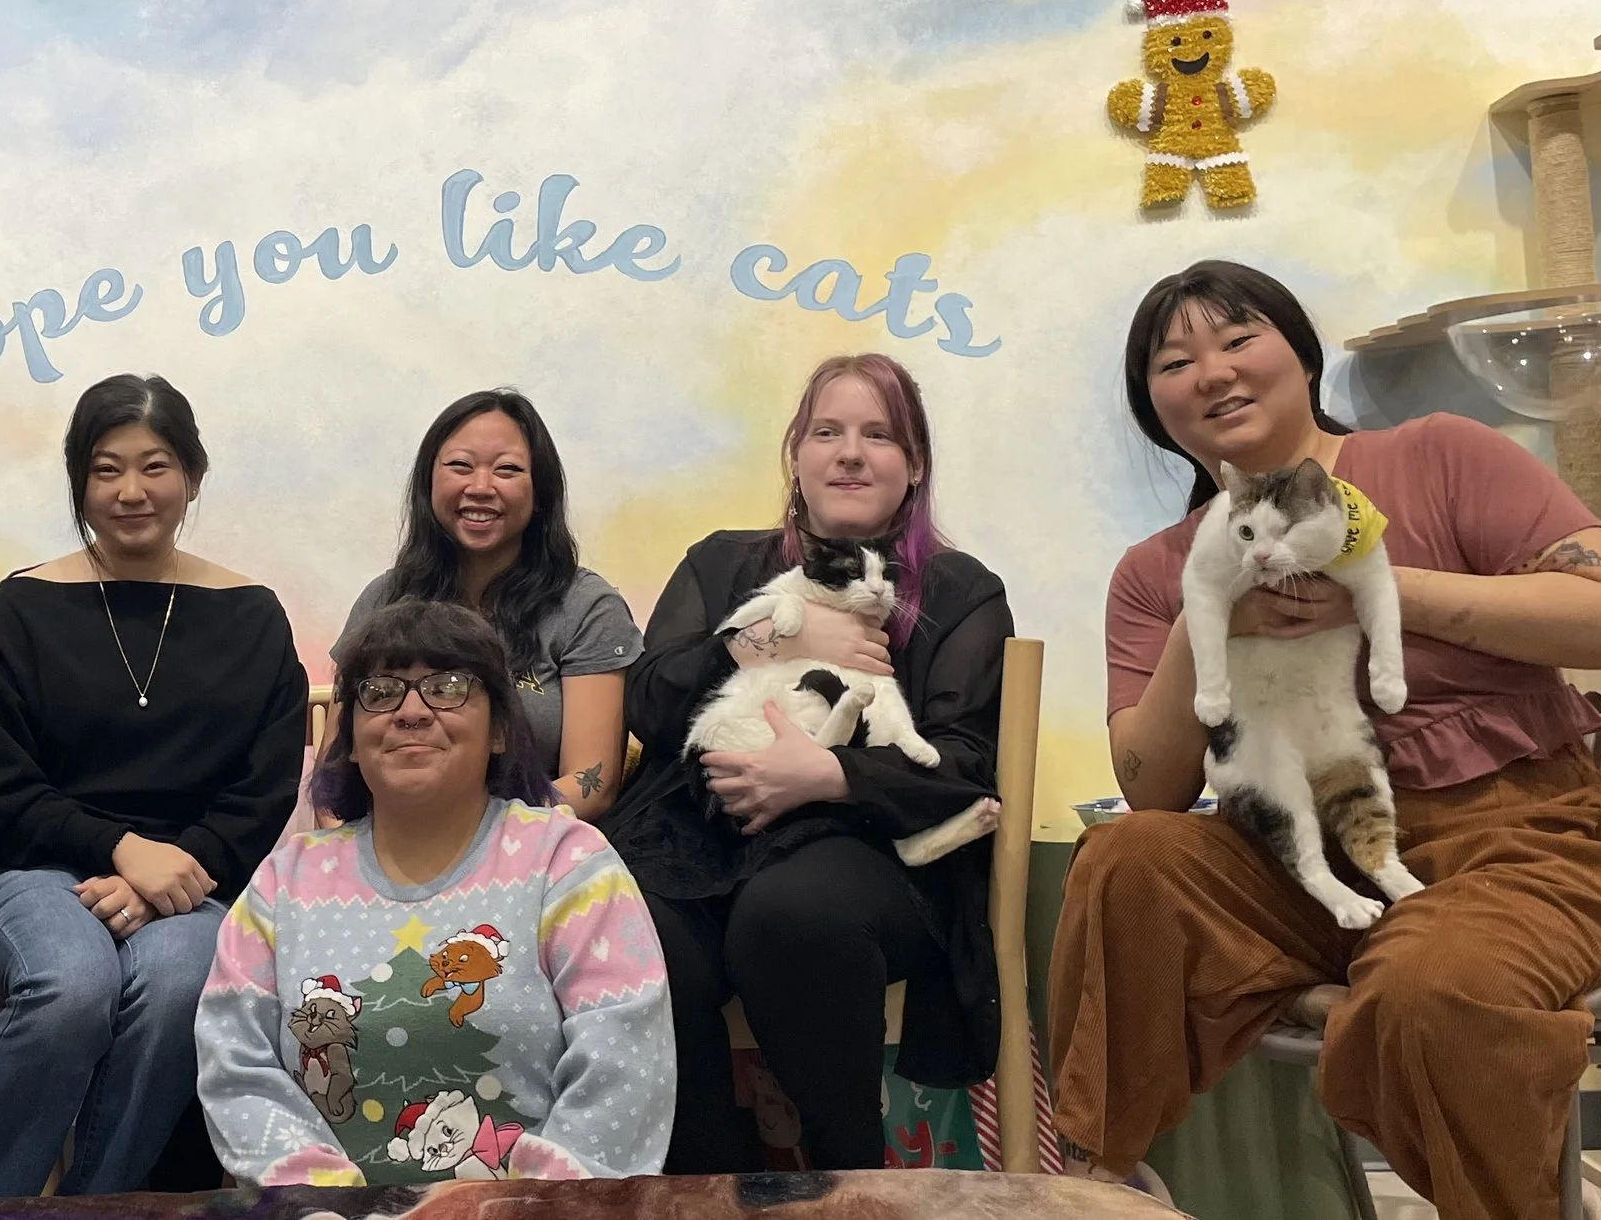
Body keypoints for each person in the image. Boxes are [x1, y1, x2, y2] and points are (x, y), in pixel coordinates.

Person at [1049, 260, 1601, 1220]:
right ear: (1154, 407)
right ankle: (1097, 1182)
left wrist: (1378, 586)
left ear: (1301, 356)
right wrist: (1197, 617)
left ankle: (1480, 1170)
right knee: (1125, 856)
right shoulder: (1155, 571)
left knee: (1434, 982)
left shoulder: (1438, 455)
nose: (1211, 371)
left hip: (1524, 846)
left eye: (1239, 337)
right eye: (1175, 361)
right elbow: (1153, 789)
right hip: (1306, 869)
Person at [600, 352, 1012, 1173]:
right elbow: (648, 699)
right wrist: (772, 639)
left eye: (878, 434)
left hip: (862, 846)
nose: (850, 452)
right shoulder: (722, 562)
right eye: (827, 431)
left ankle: (847, 1179)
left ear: (915, 464)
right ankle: (704, 1181)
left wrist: (831, 776)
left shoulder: (960, 590)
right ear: (798, 454)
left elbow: (962, 761)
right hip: (697, 835)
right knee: (630, 925)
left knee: (791, 914)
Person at [0, 374, 308, 1197]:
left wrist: (172, 873)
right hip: (31, 872)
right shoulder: (22, 608)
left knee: (182, 978)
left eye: (155, 466)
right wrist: (124, 849)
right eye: (106, 469)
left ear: (193, 477)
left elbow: (264, 786)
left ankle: (98, 1205)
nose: (131, 491)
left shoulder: (252, 614)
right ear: (79, 481)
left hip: (188, 883)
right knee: (74, 985)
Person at [196, 599, 672, 1185]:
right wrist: (326, 1202)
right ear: (350, 732)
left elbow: (625, 1064)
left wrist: (531, 1207)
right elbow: (234, 1061)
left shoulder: (569, 863)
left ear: (500, 728)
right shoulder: (285, 879)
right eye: (380, 691)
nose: (411, 711)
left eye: (447, 687)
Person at [342, 390, 639, 819]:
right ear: (429, 481)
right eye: (461, 466)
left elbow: (591, 783)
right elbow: (338, 774)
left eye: (508, 470)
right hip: (388, 846)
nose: (480, 487)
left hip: (535, 849)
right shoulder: (382, 599)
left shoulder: (586, 606)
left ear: (541, 493)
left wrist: (471, 842)